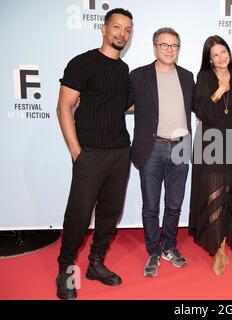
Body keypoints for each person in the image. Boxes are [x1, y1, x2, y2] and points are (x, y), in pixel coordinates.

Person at [55, 8, 133, 300]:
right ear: (103, 28)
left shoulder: (124, 69)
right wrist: (77, 152)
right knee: (78, 214)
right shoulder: (82, 62)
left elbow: (121, 106)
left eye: (127, 30)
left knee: (110, 213)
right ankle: (64, 268)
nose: (121, 34)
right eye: (117, 27)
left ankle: (96, 263)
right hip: (90, 153)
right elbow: (64, 107)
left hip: (120, 152)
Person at [128, 27, 195, 278]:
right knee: (151, 206)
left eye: (174, 45)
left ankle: (169, 246)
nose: (169, 50)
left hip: (181, 145)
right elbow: (120, 102)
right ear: (155, 47)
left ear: (179, 48)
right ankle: (153, 251)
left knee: (175, 204)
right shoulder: (139, 76)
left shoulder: (187, 77)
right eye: (164, 45)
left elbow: (203, 105)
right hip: (151, 146)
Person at [188, 35, 232, 275]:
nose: (221, 58)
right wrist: (220, 90)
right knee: (212, 189)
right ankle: (216, 246)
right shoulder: (204, 77)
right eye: (215, 55)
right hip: (209, 140)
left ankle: (225, 239)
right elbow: (203, 113)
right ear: (209, 60)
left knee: (228, 189)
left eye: (224, 52)